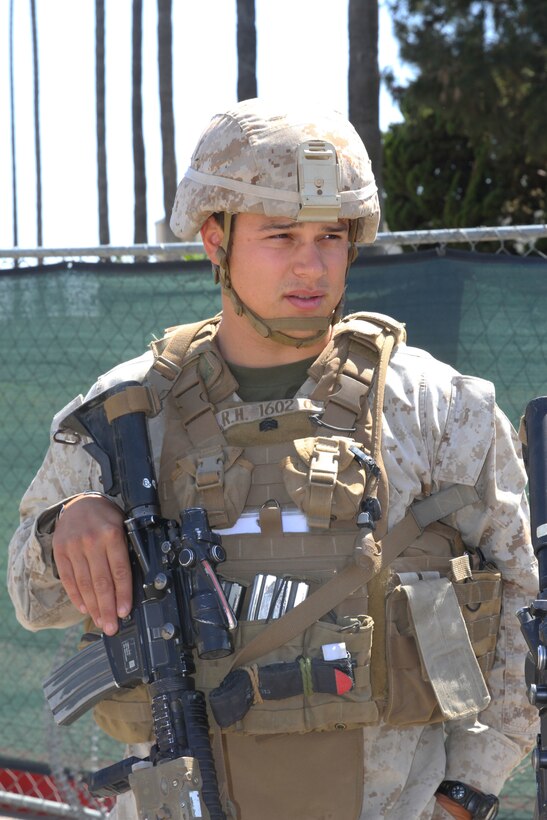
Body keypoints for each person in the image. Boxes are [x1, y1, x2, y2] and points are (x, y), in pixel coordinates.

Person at [8, 98, 538, 820]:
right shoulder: (128, 413)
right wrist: (65, 525)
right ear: (213, 239)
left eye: (330, 235)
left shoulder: (439, 409)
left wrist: (468, 790)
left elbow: (521, 600)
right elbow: (33, 599)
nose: (310, 263)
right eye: (279, 234)